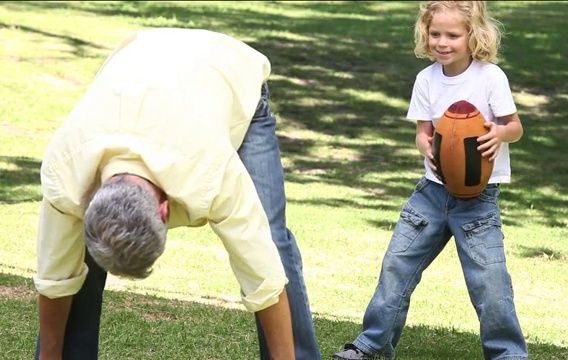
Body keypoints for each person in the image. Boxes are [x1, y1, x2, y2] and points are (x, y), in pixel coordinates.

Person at [33, 27, 321, 360]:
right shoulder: (66, 168)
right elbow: (56, 277)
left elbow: (265, 279)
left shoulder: (209, 169)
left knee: (271, 242)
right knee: (90, 252)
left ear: (165, 210)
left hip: (225, 68)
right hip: (145, 59)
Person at [333, 1, 528, 359]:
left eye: (452, 35)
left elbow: (515, 127)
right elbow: (423, 134)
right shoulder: (425, 80)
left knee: (490, 282)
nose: (442, 42)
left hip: (478, 199)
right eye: (435, 33)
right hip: (430, 195)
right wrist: (427, 147)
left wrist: (498, 134)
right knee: (397, 266)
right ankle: (372, 347)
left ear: (473, 36)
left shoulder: (490, 77)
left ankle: (508, 355)